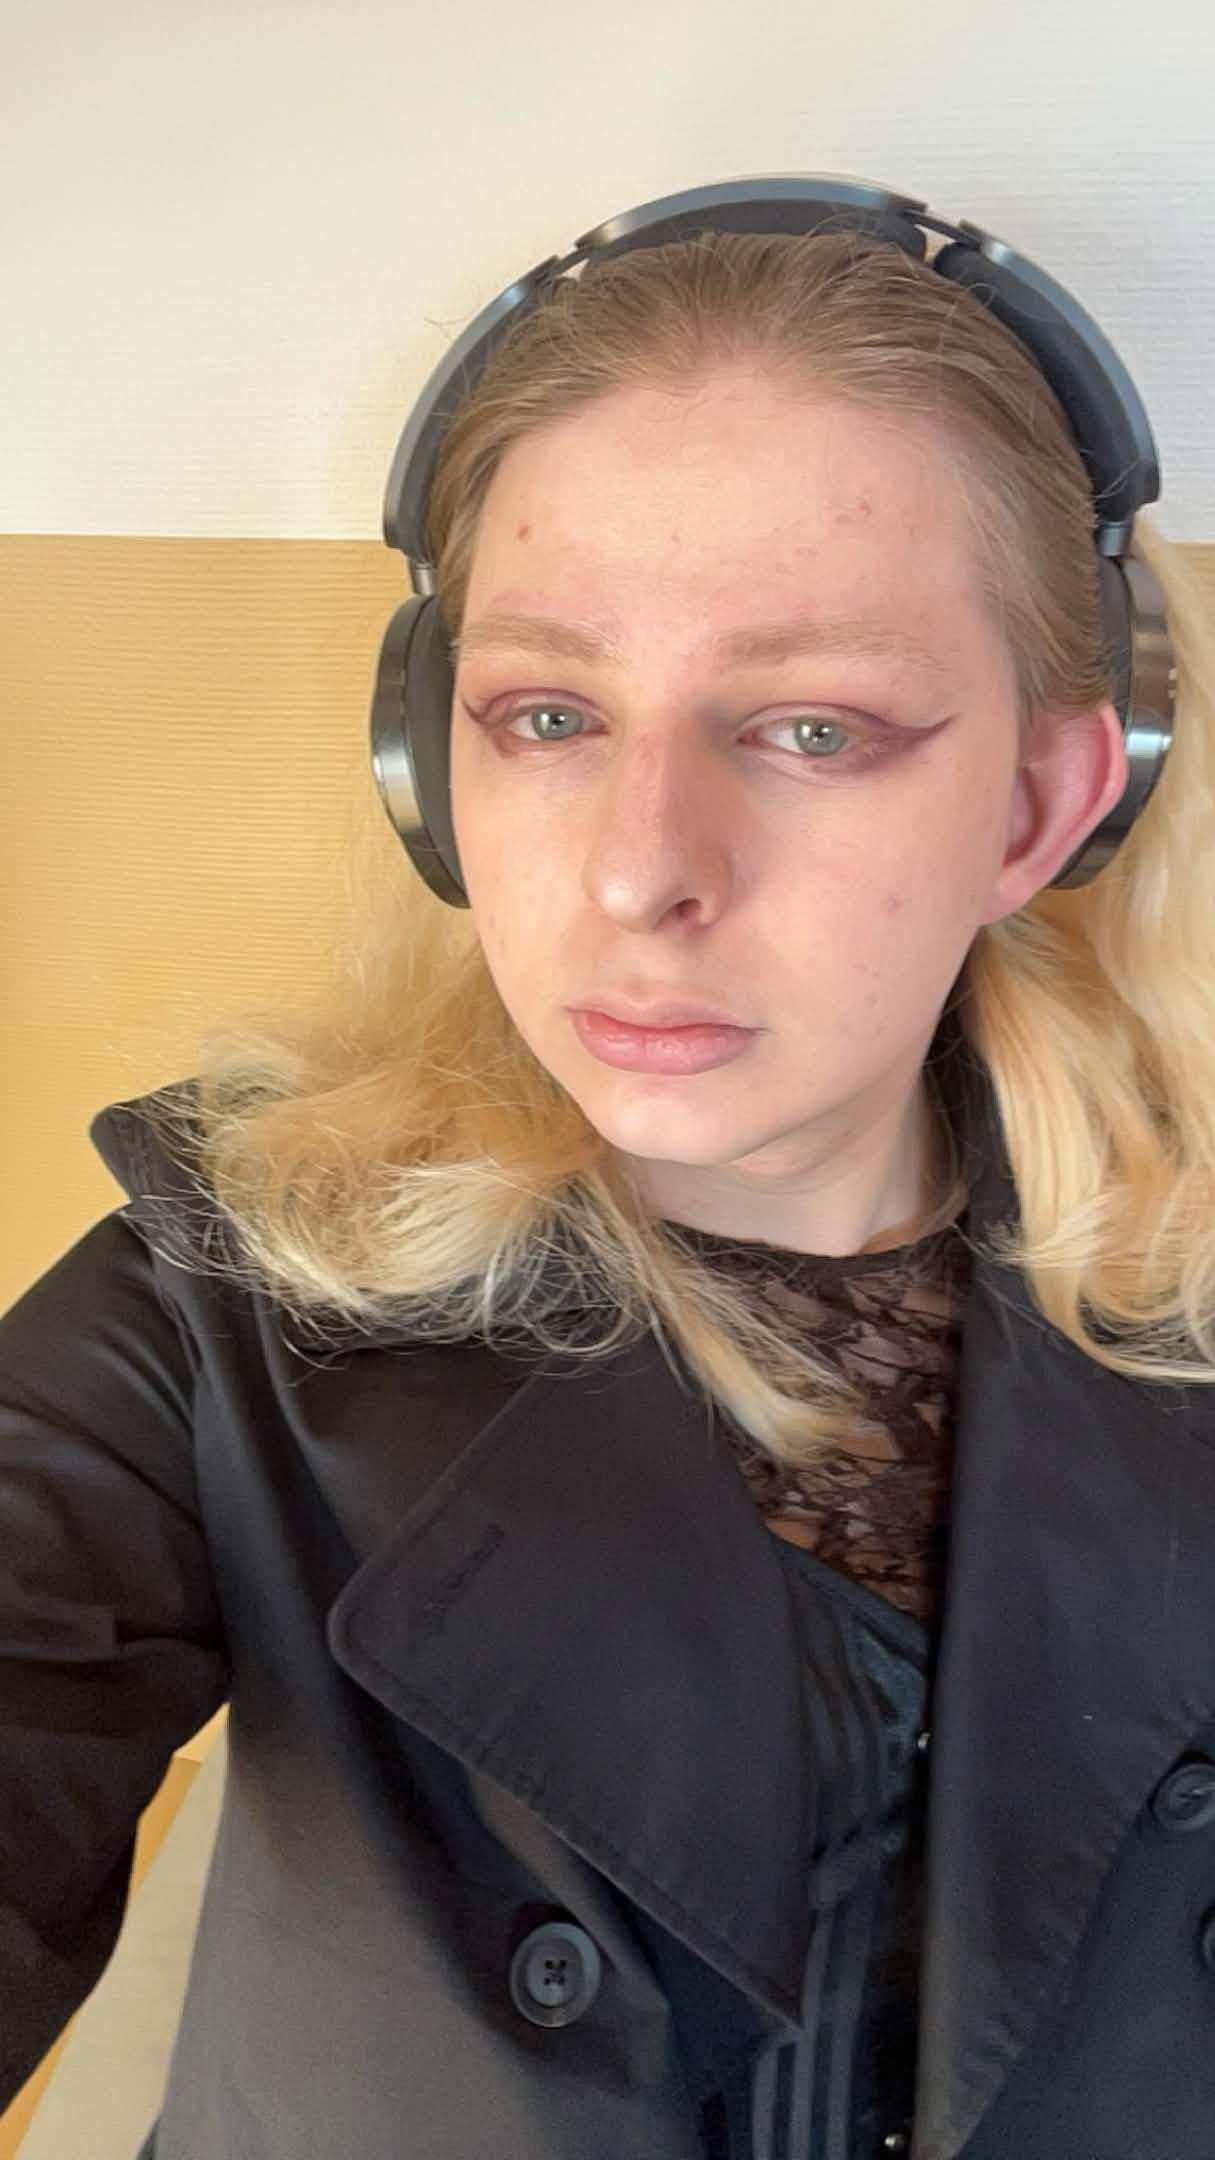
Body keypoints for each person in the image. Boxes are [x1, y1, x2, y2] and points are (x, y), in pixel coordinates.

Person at [2, 178, 1215, 2160]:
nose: (643, 869)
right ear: (432, 766)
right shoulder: (220, 1296)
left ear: (1037, 805)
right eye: (547, 713)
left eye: (808, 727)